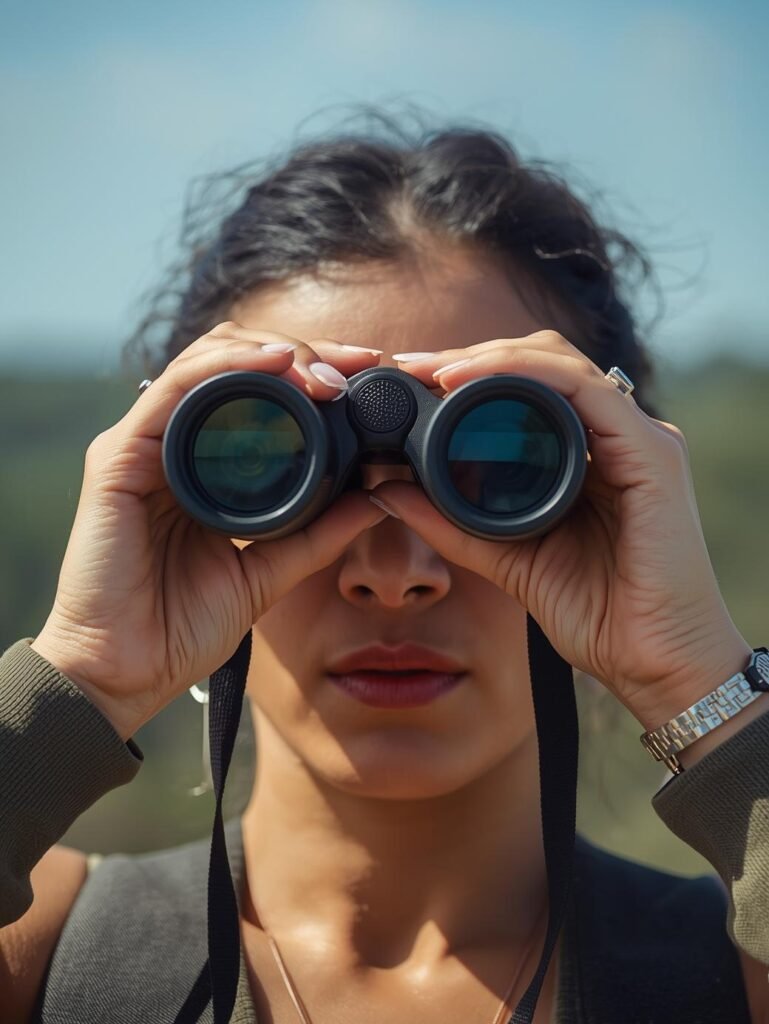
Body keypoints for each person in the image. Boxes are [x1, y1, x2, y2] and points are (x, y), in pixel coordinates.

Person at [1, 111, 768, 1024]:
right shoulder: (37, 951)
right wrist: (82, 671)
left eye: (494, 468)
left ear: (612, 492)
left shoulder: (736, 974)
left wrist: (696, 679)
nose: (395, 573)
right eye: (282, 465)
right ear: (175, 482)